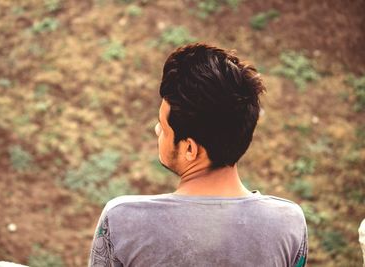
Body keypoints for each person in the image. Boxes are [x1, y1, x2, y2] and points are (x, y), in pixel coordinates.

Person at [88, 43, 308, 267]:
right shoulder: (288, 224)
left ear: (190, 149)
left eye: (164, 127)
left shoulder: (124, 221)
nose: (156, 130)